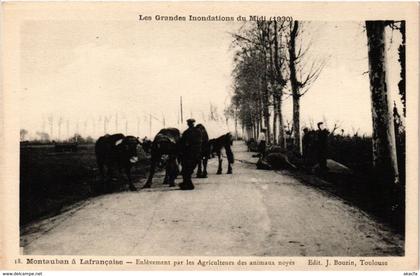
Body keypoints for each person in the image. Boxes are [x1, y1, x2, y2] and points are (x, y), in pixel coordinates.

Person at [179, 118, 202, 190]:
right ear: (193, 123)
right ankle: (186, 183)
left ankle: (188, 184)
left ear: (188, 124)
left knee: (186, 169)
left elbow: (182, 143)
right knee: (189, 169)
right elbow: (200, 142)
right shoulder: (198, 131)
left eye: (189, 123)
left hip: (188, 153)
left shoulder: (186, 132)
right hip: (196, 153)